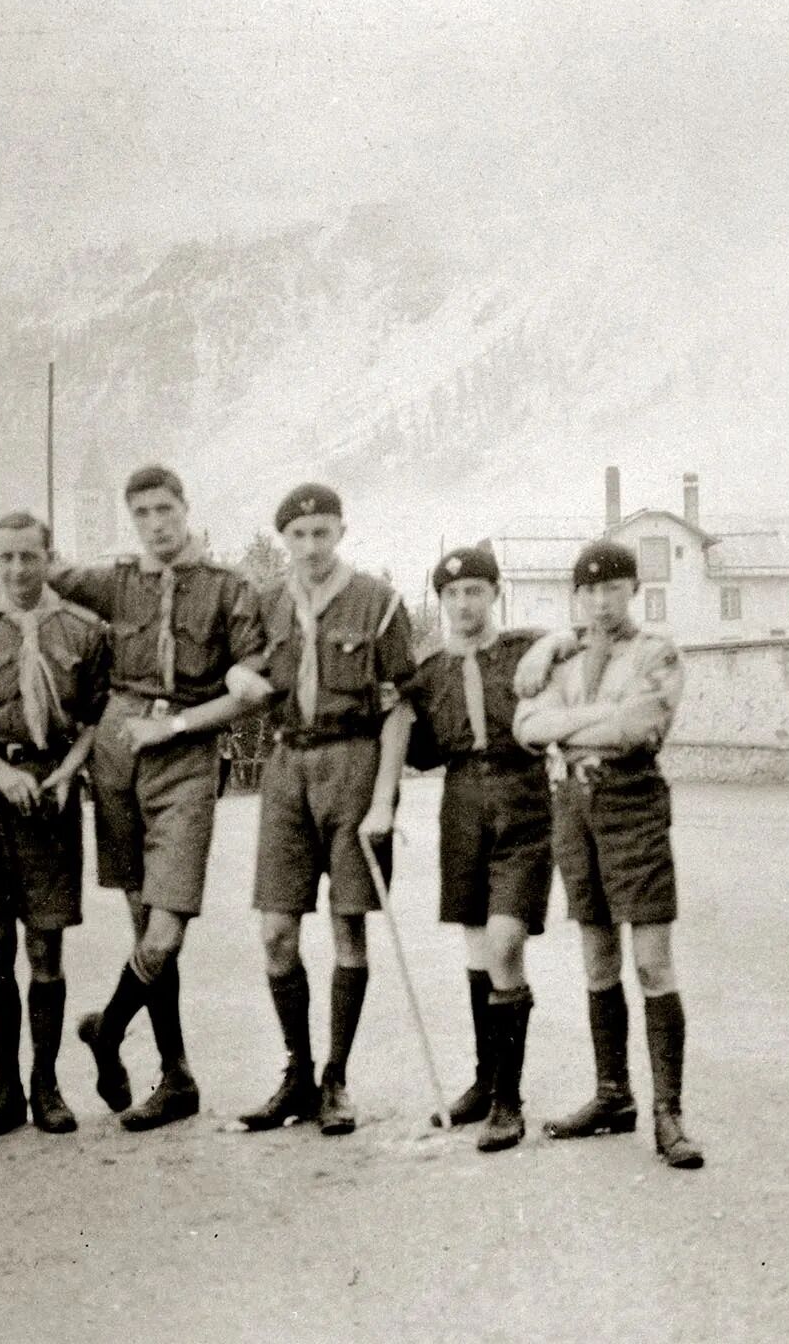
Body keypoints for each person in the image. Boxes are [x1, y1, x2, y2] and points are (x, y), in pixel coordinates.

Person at [0, 466, 267, 1132]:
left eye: (165, 509)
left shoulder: (229, 587)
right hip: (119, 755)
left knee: (166, 927)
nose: (155, 523)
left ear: (186, 508)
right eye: (141, 512)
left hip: (184, 748)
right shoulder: (112, 581)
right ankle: (175, 1076)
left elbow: (253, 679)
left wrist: (182, 721)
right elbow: (23, 573)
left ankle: (109, 1028)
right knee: (143, 918)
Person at [513, 539, 704, 1169]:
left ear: (633, 590)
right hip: (573, 807)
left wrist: (570, 727)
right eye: (590, 591)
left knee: (651, 962)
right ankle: (613, 1095)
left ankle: (668, 1113)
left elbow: (639, 728)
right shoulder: (563, 657)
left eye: (613, 588)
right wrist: (600, 718)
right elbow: (526, 727)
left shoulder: (657, 652)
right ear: (578, 596)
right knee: (598, 957)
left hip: (632, 802)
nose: (601, 602)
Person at [236, 483, 416, 1137]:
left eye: (322, 533)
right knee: (276, 932)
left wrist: (383, 800)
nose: (310, 546)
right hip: (287, 765)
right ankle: (298, 1073)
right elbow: (242, 671)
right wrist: (237, 678)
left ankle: (336, 1078)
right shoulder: (265, 604)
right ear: (284, 539)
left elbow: (401, 706)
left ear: (341, 532)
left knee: (348, 928)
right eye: (298, 535)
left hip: (354, 763)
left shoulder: (378, 601)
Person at [0, 511, 111, 1140]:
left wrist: (67, 774)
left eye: (29, 556)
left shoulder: (82, 629)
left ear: (48, 558)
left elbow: (96, 717)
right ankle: (5, 1090)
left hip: (49, 794)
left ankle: (46, 1086)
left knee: (45, 947)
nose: (17, 569)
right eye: (4, 557)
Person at [397, 547, 552, 1151]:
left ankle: (510, 1102)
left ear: (495, 594)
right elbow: (420, 751)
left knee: (507, 940)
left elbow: (574, 643)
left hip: (522, 795)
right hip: (461, 801)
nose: (463, 604)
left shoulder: (524, 648)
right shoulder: (429, 672)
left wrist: (551, 645)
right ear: (441, 601)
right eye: (452, 594)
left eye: (475, 592)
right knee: (477, 944)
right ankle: (486, 1082)